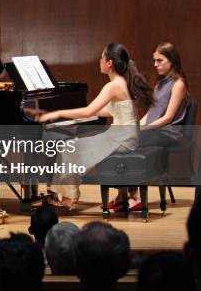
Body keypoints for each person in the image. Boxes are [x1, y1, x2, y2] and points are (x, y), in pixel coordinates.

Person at [38, 43, 154, 210]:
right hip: (125, 136)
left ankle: (68, 198)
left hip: (121, 139)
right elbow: (109, 110)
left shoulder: (113, 86)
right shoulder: (122, 82)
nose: (99, 61)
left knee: (69, 147)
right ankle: (68, 195)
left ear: (109, 63)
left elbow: (88, 111)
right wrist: (86, 115)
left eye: (102, 58)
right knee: (73, 146)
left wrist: (57, 114)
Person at [111, 42, 190, 211]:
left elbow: (168, 118)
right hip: (155, 129)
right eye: (154, 60)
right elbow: (150, 114)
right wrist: (135, 126)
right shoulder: (159, 83)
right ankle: (123, 194)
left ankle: (133, 195)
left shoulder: (179, 84)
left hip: (169, 133)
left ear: (171, 61)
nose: (155, 64)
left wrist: (143, 130)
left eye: (160, 60)